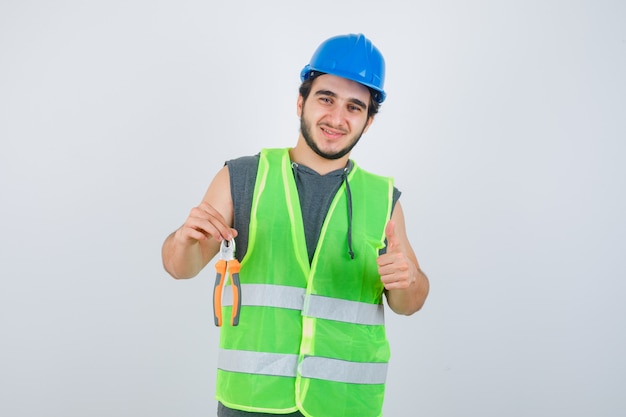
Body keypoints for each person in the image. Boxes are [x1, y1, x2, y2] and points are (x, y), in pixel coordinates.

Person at [161, 33, 430, 417]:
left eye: (354, 107)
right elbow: (178, 266)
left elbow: (409, 303)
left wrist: (409, 280)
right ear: (301, 101)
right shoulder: (243, 178)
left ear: (368, 121)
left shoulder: (383, 199)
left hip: (345, 405)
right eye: (326, 99)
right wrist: (184, 240)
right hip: (252, 402)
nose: (337, 118)